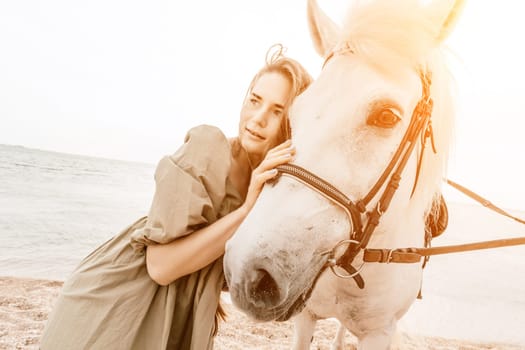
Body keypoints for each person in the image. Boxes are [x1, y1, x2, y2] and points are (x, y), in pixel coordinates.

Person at [40, 44, 313, 350]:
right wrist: (246, 209)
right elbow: (160, 266)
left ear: (291, 124)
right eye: (254, 101)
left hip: (183, 317)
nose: (259, 118)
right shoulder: (208, 148)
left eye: (277, 111)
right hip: (118, 303)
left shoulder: (266, 185)